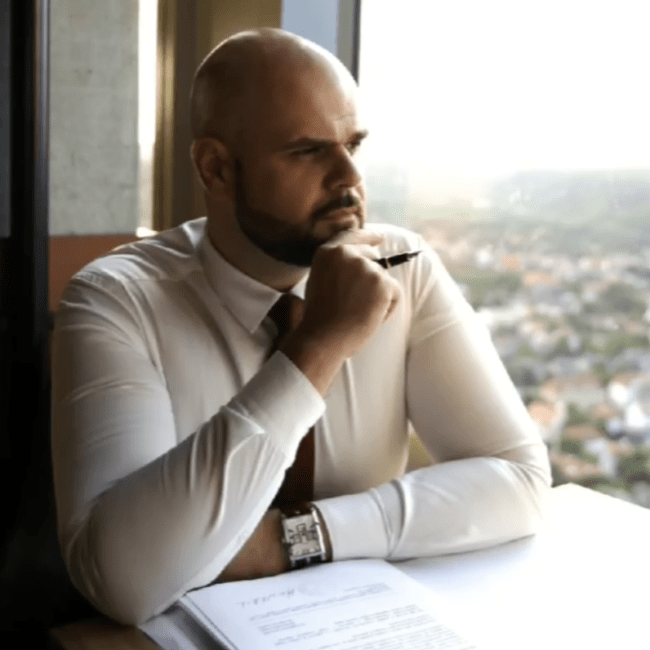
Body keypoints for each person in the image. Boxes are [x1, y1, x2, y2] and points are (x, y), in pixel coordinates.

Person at [51, 28, 551, 626]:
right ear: (216, 168)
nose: (349, 178)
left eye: (353, 145)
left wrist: (297, 537)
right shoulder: (115, 301)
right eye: (308, 151)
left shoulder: (403, 266)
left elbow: (520, 481)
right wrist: (318, 347)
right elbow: (124, 583)